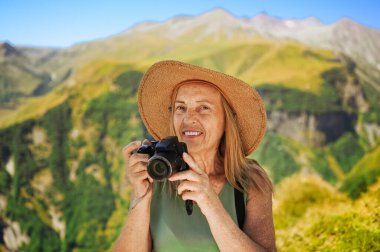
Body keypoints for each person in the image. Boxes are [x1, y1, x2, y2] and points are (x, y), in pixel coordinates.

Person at [113, 60, 276, 252]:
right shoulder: (156, 172)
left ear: (226, 120)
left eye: (204, 108)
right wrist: (141, 197)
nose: (188, 119)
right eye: (180, 108)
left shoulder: (251, 180)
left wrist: (211, 204)